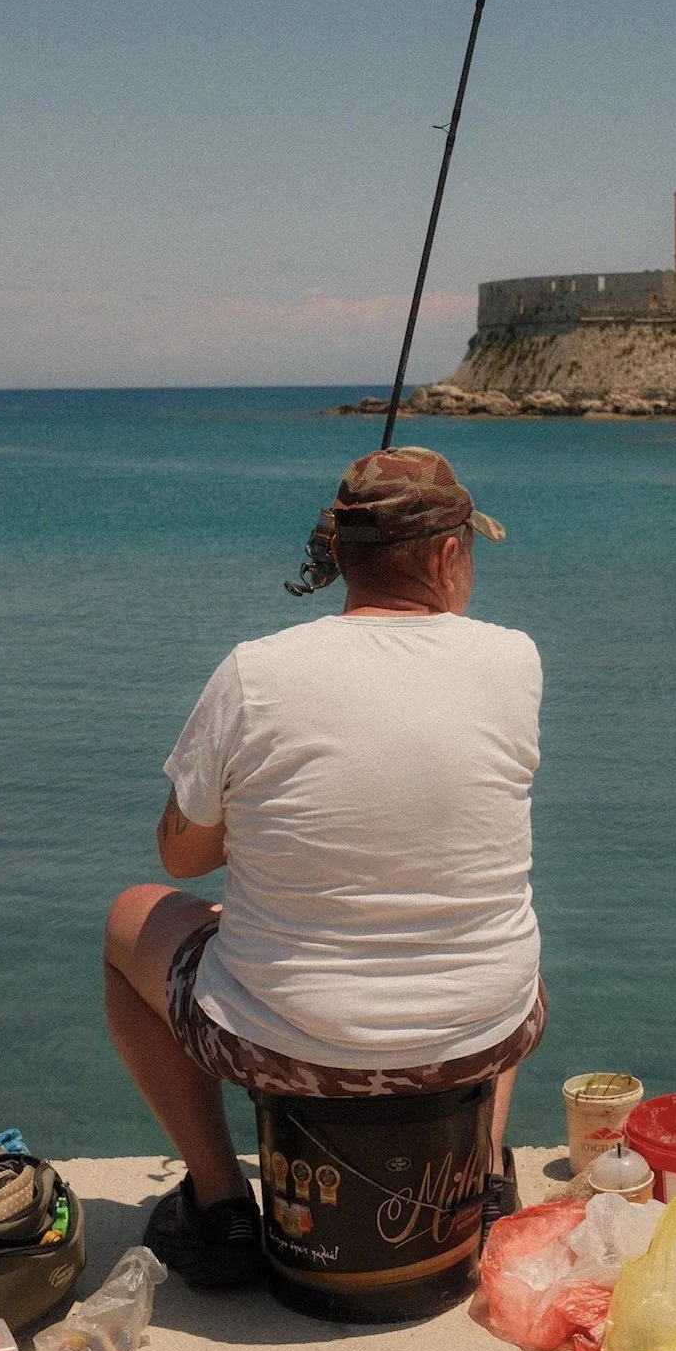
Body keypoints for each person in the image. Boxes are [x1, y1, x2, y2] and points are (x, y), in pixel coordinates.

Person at [103, 445, 545, 1286]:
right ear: (447, 556)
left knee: (132, 917)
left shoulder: (254, 671)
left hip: (288, 1047)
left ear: (336, 554)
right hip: (481, 1033)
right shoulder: (516, 659)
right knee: (494, 927)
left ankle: (220, 1202)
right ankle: (485, 1179)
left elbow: (182, 858)